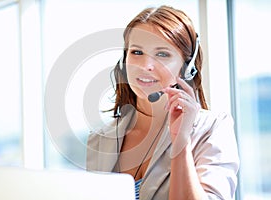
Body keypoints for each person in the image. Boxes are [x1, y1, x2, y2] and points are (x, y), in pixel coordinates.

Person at [86, 5, 239, 200]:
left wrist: (181, 142)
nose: (145, 66)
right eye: (137, 52)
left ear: (186, 67)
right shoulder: (99, 139)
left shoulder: (212, 128)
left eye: (162, 54)